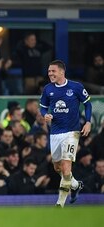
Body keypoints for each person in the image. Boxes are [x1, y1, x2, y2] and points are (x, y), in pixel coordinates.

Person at [40, 59, 92, 207]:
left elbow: (88, 104)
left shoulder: (76, 87)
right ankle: (75, 185)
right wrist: (45, 115)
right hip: (55, 132)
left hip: (72, 132)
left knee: (66, 165)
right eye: (49, 71)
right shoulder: (48, 89)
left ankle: (60, 204)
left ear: (62, 72)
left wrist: (88, 122)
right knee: (58, 168)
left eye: (53, 71)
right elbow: (43, 107)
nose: (50, 73)